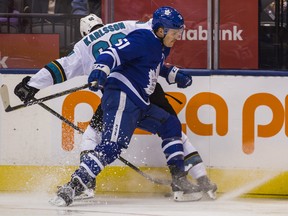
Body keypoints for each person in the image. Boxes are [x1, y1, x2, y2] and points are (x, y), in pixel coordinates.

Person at [13, 9, 216, 205]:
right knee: (120, 142)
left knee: (94, 135)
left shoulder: (85, 45)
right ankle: (75, 184)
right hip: (127, 91)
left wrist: (31, 85)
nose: (177, 36)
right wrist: (171, 73)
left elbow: (62, 68)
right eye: (175, 32)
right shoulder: (129, 27)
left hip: (134, 90)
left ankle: (178, 181)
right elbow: (125, 49)